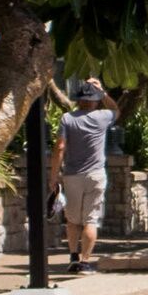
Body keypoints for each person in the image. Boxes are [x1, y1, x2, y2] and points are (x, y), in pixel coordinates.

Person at [57, 77, 119, 275]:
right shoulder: (102, 116)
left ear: (78, 100)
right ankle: (85, 262)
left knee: (73, 221)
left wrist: (53, 176)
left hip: (72, 175)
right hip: (95, 174)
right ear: (94, 100)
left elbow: (59, 147)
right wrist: (103, 91)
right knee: (90, 220)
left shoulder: (67, 119)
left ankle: (73, 256)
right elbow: (117, 109)